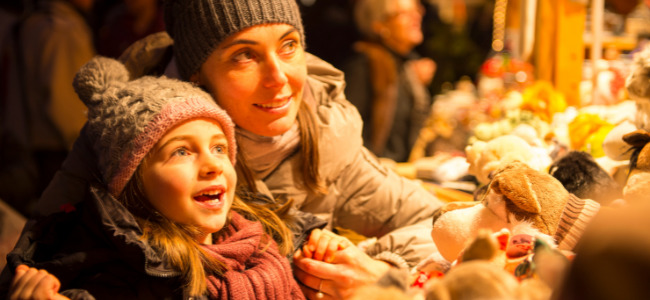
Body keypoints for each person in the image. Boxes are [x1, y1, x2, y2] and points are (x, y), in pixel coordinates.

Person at [36, 0, 445, 298]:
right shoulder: (125, 137)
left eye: (288, 46)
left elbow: (441, 225)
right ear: (196, 75)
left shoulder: (323, 136)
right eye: (244, 56)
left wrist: (380, 270)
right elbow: (37, 260)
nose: (279, 79)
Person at [0, 56, 304, 299]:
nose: (212, 164)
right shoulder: (120, 279)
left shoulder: (266, 233)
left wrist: (331, 251)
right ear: (134, 182)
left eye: (219, 147)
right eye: (181, 152)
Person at [0, 0, 95, 216]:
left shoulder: (29, 24)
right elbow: (65, 105)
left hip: (31, 149)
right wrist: (92, 153)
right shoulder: (63, 30)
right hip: (62, 152)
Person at [342, 0, 436, 162]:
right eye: (404, 14)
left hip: (401, 172)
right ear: (379, 25)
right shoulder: (363, 66)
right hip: (375, 174)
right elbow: (347, 135)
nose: (416, 17)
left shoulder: (404, 66)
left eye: (417, 11)